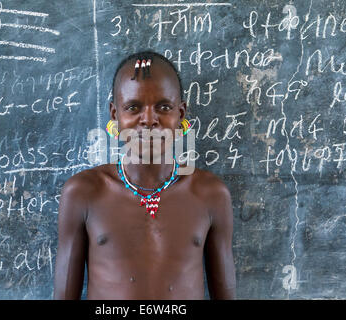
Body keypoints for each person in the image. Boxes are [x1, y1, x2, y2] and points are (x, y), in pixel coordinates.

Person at [53, 51, 236, 300]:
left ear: (180, 114)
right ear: (115, 116)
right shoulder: (84, 192)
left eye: (163, 106)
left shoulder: (210, 194)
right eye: (133, 107)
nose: (149, 120)